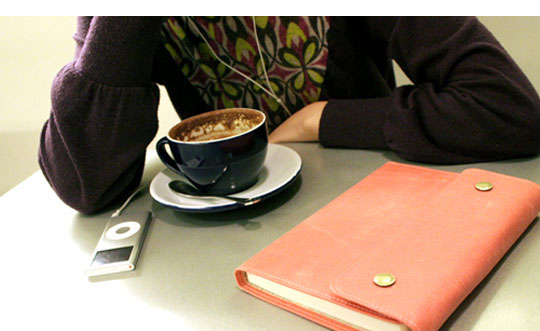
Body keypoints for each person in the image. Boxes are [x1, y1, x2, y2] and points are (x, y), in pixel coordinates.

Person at [38, 16, 540, 214]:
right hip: (229, 245)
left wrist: (321, 119)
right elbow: (85, 185)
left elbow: (509, 109)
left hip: (377, 212)